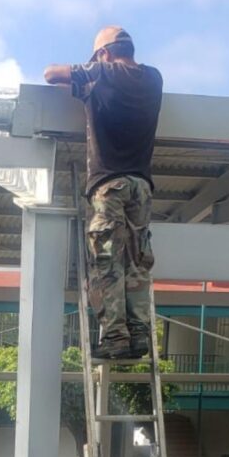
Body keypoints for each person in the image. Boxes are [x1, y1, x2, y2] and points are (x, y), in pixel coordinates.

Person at [44, 27, 163, 359]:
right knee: (138, 261)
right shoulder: (154, 78)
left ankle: (114, 338)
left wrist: (90, 66)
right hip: (141, 186)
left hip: (108, 184)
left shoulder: (101, 73)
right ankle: (139, 335)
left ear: (104, 54)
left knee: (106, 261)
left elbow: (51, 74)